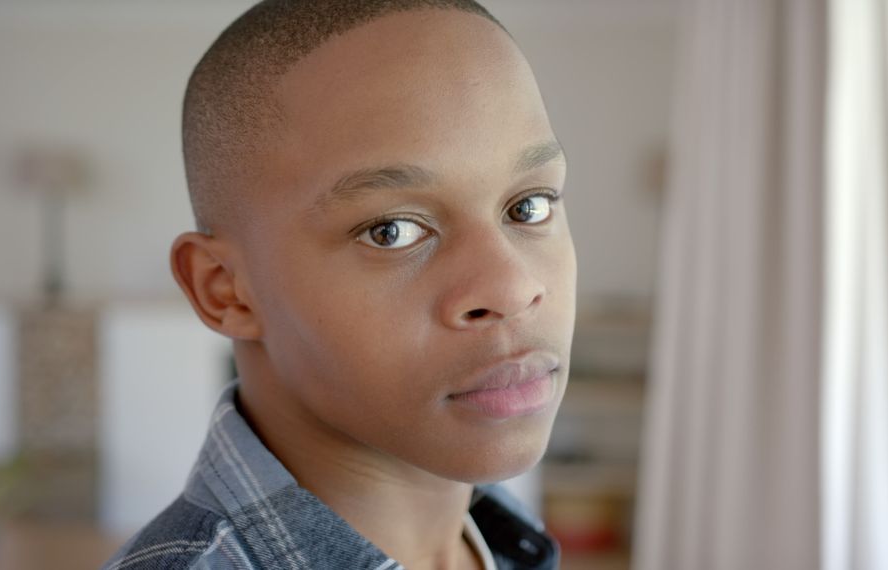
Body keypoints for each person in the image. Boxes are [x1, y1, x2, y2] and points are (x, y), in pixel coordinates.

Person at [103, 0, 576, 568]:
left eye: (529, 206)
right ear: (224, 289)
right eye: (391, 231)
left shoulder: (504, 545)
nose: (511, 288)